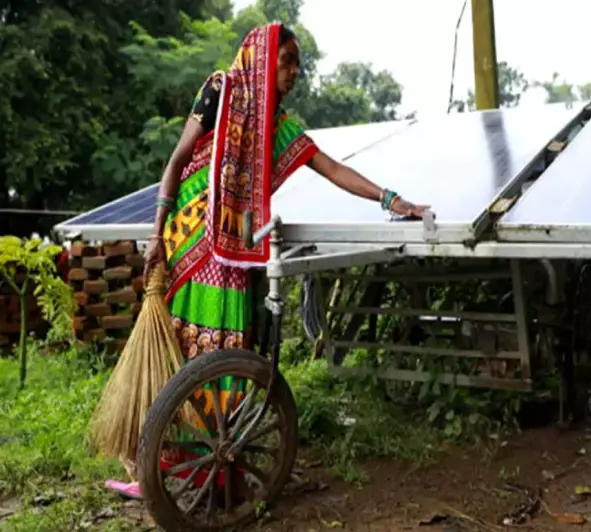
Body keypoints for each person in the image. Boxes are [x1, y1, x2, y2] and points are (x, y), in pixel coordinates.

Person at [104, 22, 430, 500]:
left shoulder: (281, 128)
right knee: (176, 352)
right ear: (262, 58)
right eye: (287, 62)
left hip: (236, 256)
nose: (294, 72)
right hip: (187, 240)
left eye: (299, 64)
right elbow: (175, 162)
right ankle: (160, 466)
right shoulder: (220, 89)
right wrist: (156, 233)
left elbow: (332, 168)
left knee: (224, 357)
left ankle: (214, 468)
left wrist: (392, 200)